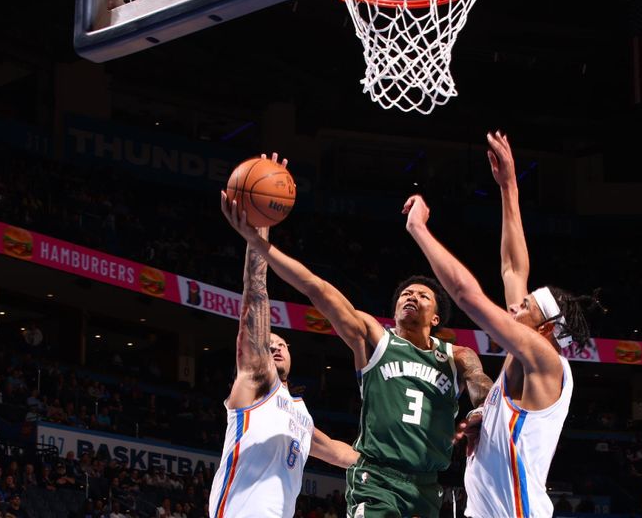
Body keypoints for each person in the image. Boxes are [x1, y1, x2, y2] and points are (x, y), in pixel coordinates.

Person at [222, 157, 493, 518]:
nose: (411, 297)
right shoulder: (375, 339)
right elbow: (315, 287)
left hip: (428, 485)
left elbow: (479, 381)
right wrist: (259, 243)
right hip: (377, 478)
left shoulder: (457, 355)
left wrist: (483, 408)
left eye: (422, 295)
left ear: (437, 317)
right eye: (404, 294)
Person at [404, 131, 599, 518]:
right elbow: (513, 267)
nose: (515, 308)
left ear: (545, 331)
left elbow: (466, 294)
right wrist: (509, 186)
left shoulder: (546, 361)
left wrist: (419, 231)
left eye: (525, 307)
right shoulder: (526, 357)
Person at [212, 154, 359, 518]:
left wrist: (406, 469)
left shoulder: (301, 416)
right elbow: (256, 293)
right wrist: (258, 231)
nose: (274, 346)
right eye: (268, 343)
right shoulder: (256, 381)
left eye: (281, 343)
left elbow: (341, 453)